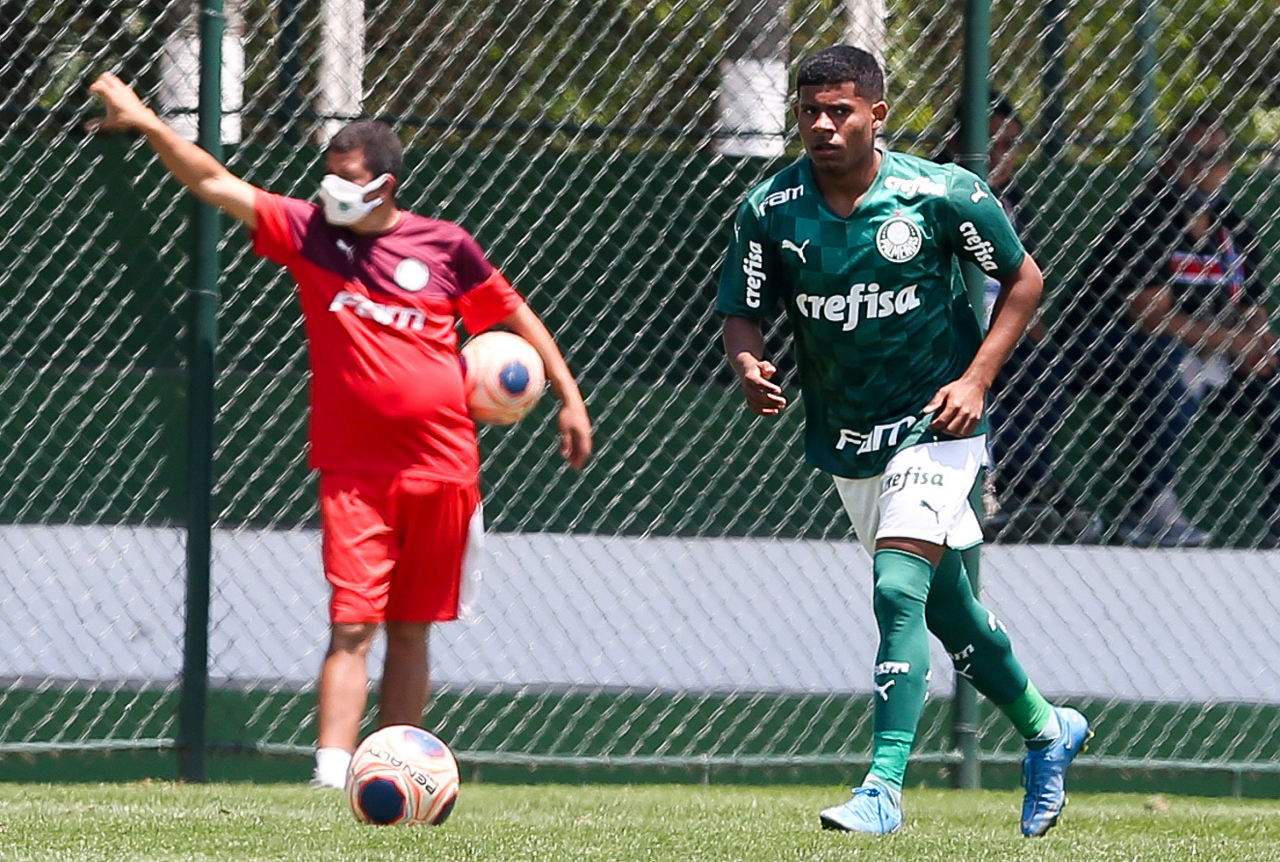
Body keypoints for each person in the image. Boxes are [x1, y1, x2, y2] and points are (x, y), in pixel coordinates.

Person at [87, 73, 594, 788]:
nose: (332, 190)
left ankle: (395, 771)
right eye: (328, 176)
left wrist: (570, 398)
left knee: (412, 630)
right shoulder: (311, 235)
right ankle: (332, 774)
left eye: (348, 179)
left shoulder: (446, 246)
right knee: (353, 624)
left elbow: (514, 316)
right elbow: (213, 182)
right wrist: (145, 121)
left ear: (386, 185)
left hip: (445, 470)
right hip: (355, 473)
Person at [717, 46, 1089, 836]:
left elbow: (1024, 279)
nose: (822, 124)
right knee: (948, 609)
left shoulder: (941, 193)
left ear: (876, 115)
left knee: (895, 590)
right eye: (809, 111)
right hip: (848, 432)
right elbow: (741, 312)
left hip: (938, 420)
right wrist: (748, 364)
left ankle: (883, 787)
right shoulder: (770, 210)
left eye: (839, 110)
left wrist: (976, 380)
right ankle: (1047, 728)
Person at [1067, 109, 1277, 547]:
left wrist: (1261, 345)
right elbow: (1152, 316)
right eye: (1189, 156)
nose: (1202, 168)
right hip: (1106, 344)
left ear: (1229, 165)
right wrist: (1236, 342)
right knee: (1174, 358)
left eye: (1214, 157)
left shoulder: (1234, 226)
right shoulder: (1149, 218)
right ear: (1168, 161)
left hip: (1206, 348)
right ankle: (1151, 507)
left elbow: (1251, 308)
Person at [936, 94, 1101, 544]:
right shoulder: (934, 187)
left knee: (1043, 367)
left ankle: (1024, 486)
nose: (1000, 155)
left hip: (1001, 326)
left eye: (1009, 144)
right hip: (946, 323)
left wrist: (1033, 331)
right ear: (957, 141)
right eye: (989, 142)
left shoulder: (1011, 200)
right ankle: (989, 486)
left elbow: (1022, 277)